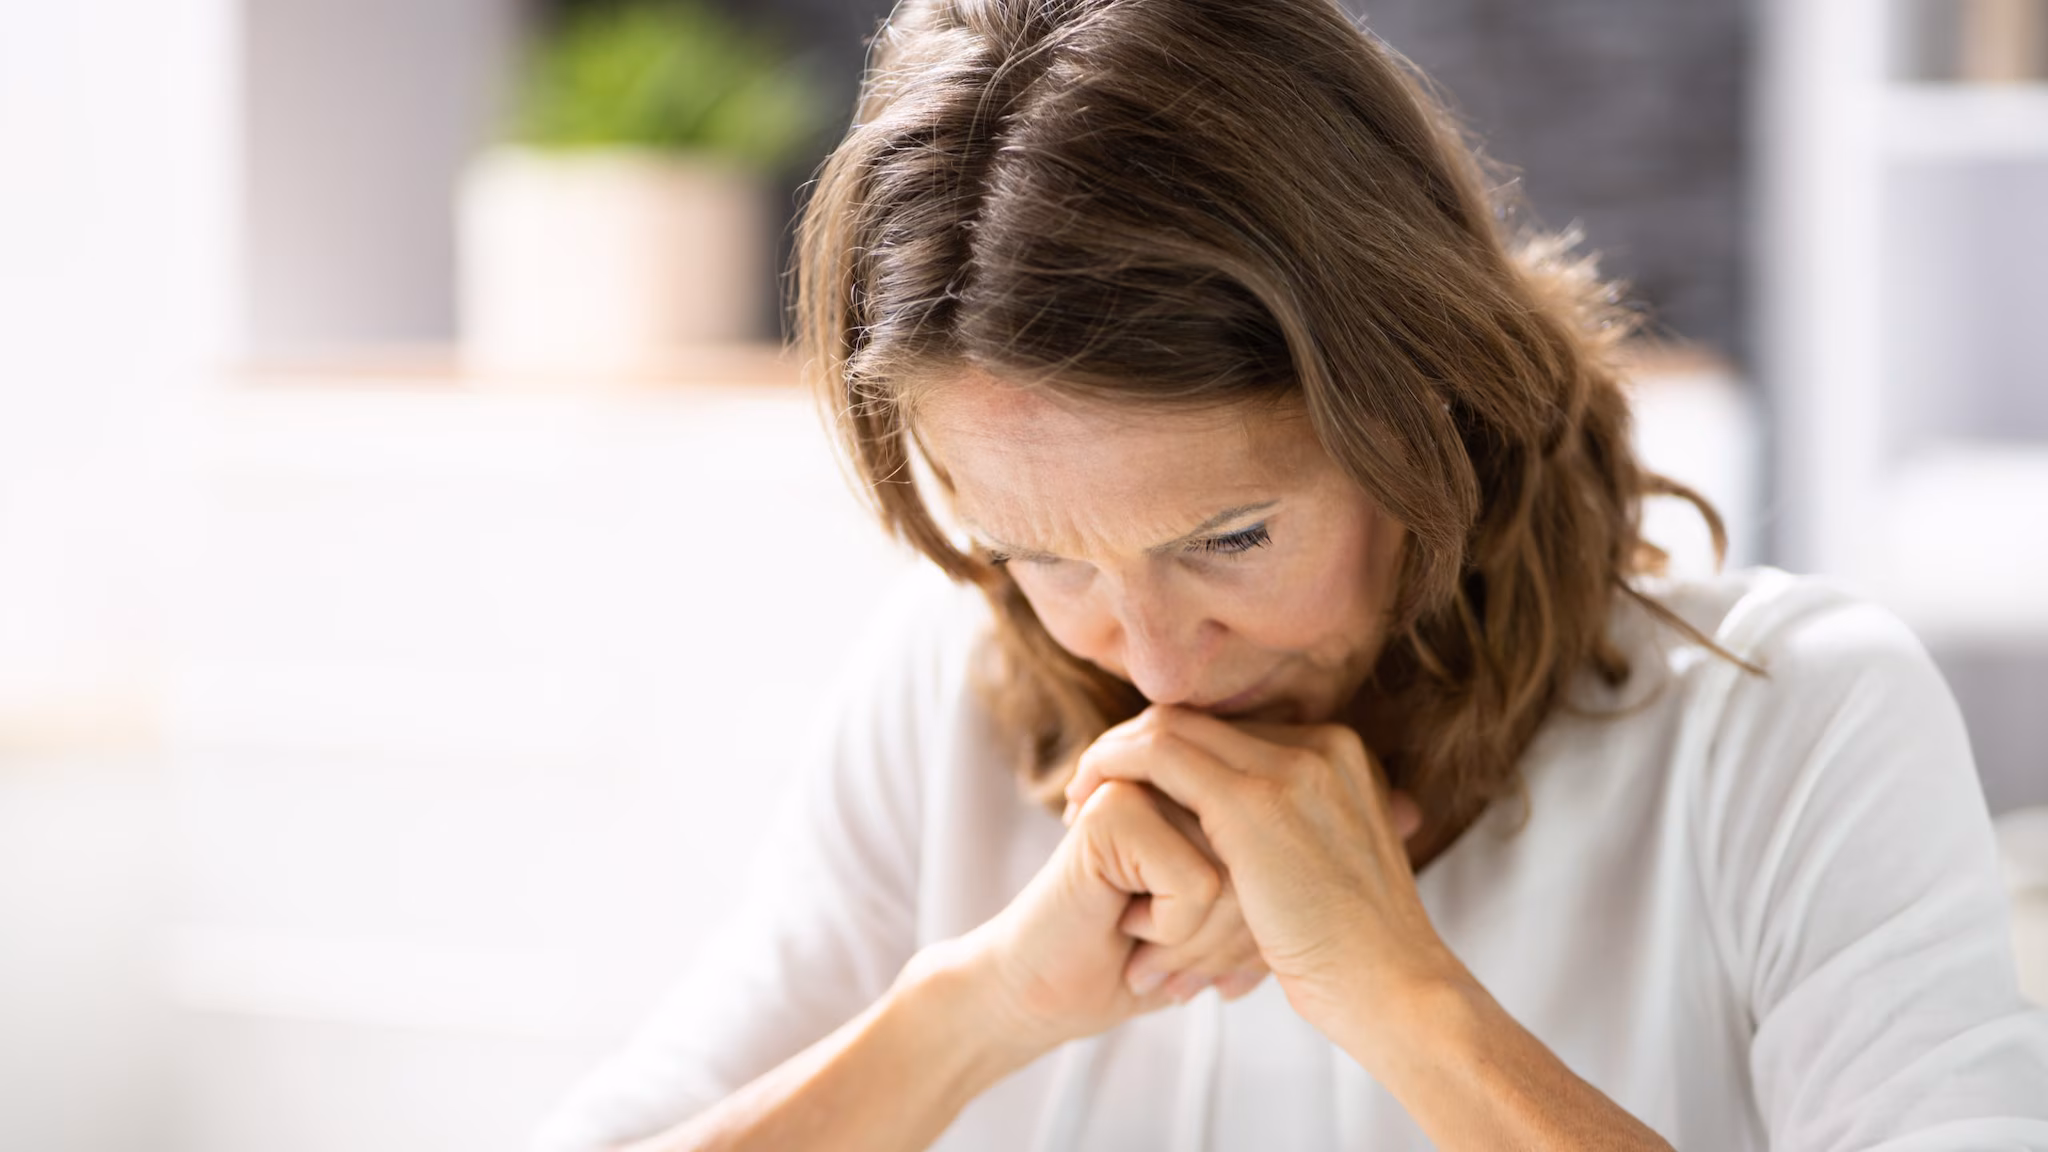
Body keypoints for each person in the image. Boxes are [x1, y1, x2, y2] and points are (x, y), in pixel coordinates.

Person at [532, 1, 2048, 1148]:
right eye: (1040, 556)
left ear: (1432, 405)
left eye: (1232, 540)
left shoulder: (1790, 727)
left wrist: (1407, 1001)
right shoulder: (943, 693)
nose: (1158, 665)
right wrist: (985, 1006)